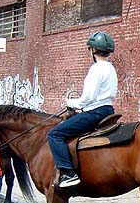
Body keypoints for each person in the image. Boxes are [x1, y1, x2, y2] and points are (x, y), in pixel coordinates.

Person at [47, 31, 118, 188]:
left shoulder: (96, 69)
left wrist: (70, 102)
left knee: (55, 134)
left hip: (95, 112)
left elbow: (88, 98)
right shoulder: (111, 68)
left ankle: (68, 173)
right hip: (107, 110)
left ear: (92, 50)